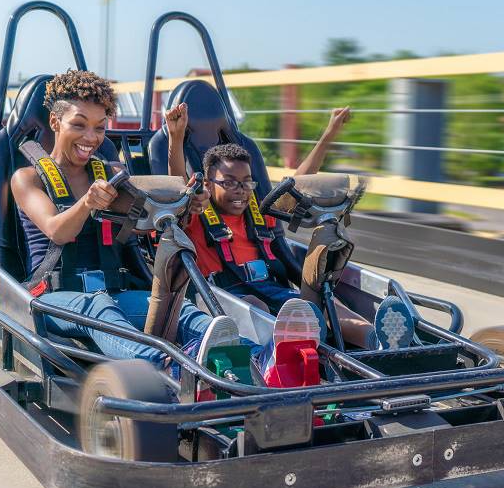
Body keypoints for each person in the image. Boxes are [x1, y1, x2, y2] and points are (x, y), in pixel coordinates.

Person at [11, 70, 228, 364]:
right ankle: (164, 368)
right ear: (55, 122)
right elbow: (57, 230)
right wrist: (88, 202)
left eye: (99, 128)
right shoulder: (27, 178)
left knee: (182, 310)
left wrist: (186, 192)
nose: (91, 137)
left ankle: (254, 359)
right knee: (98, 307)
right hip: (52, 297)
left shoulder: (110, 174)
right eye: (79, 125)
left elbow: (164, 205)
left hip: (114, 291)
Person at [163, 105, 413, 351]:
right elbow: (177, 194)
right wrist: (176, 136)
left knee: (328, 304)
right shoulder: (197, 213)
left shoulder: (259, 213)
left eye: (246, 183)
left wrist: (329, 133)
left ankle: (377, 340)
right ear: (207, 183)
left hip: (277, 295)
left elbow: (299, 183)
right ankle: (296, 350)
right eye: (228, 183)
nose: (240, 189)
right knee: (256, 306)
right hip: (224, 297)